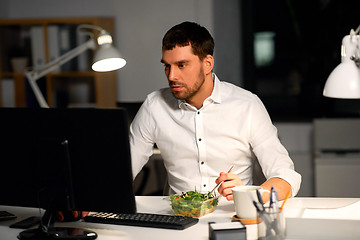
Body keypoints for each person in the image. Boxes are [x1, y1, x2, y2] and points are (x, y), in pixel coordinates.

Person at [130, 21, 301, 202]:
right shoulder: (154, 106)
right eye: (167, 66)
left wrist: (250, 194)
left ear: (207, 63)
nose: (171, 76)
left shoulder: (247, 105)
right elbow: (122, 172)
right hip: (177, 219)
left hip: (234, 216)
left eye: (181, 65)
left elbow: (287, 176)